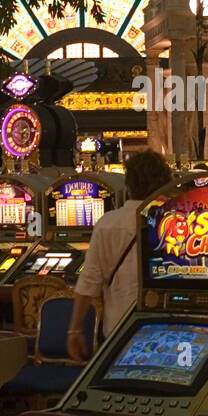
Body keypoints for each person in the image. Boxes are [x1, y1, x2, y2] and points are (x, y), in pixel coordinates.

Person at [67, 150, 173, 361]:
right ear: (166, 184)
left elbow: (88, 283)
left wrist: (75, 330)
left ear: (128, 187)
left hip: (119, 330)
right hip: (169, 329)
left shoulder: (107, 224)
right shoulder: (178, 221)